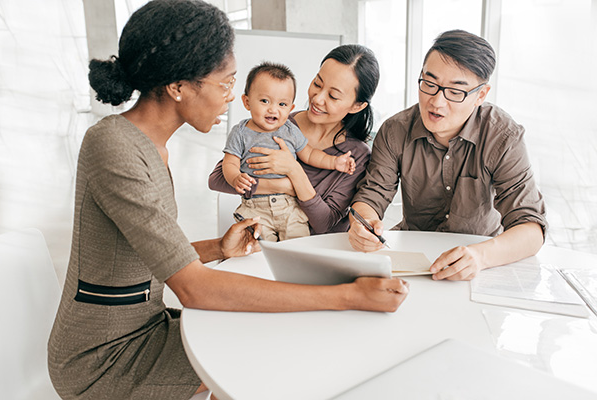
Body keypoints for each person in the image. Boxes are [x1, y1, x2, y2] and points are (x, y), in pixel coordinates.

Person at [47, 1, 409, 399]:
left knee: (262, 339)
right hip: (104, 358)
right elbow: (195, 289)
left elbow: (148, 253)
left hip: (146, 327)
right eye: (225, 83)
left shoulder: (150, 146)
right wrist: (348, 296)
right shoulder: (115, 147)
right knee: (264, 355)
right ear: (179, 87)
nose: (234, 97)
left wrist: (217, 247)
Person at [349, 29, 547, 281]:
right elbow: (373, 194)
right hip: (412, 257)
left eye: (455, 91)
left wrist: (480, 256)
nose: (436, 102)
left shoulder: (503, 136)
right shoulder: (395, 130)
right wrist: (362, 223)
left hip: (481, 260)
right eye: (429, 84)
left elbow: (531, 228)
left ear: (481, 95)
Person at [209, 44, 379, 235]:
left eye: (332, 96)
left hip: (316, 251)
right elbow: (217, 179)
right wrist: (282, 186)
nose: (317, 99)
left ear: (357, 106)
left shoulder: (355, 156)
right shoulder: (278, 124)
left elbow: (326, 224)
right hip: (264, 236)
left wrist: (294, 172)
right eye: (317, 83)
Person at [223, 62, 356, 241]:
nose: (273, 109)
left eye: (282, 104)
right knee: (262, 250)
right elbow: (229, 163)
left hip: (290, 207)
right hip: (255, 206)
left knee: (297, 246)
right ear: (247, 101)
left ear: (290, 108)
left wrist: (334, 162)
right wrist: (235, 178)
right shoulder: (240, 132)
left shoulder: (290, 130)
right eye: (264, 101)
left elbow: (309, 154)